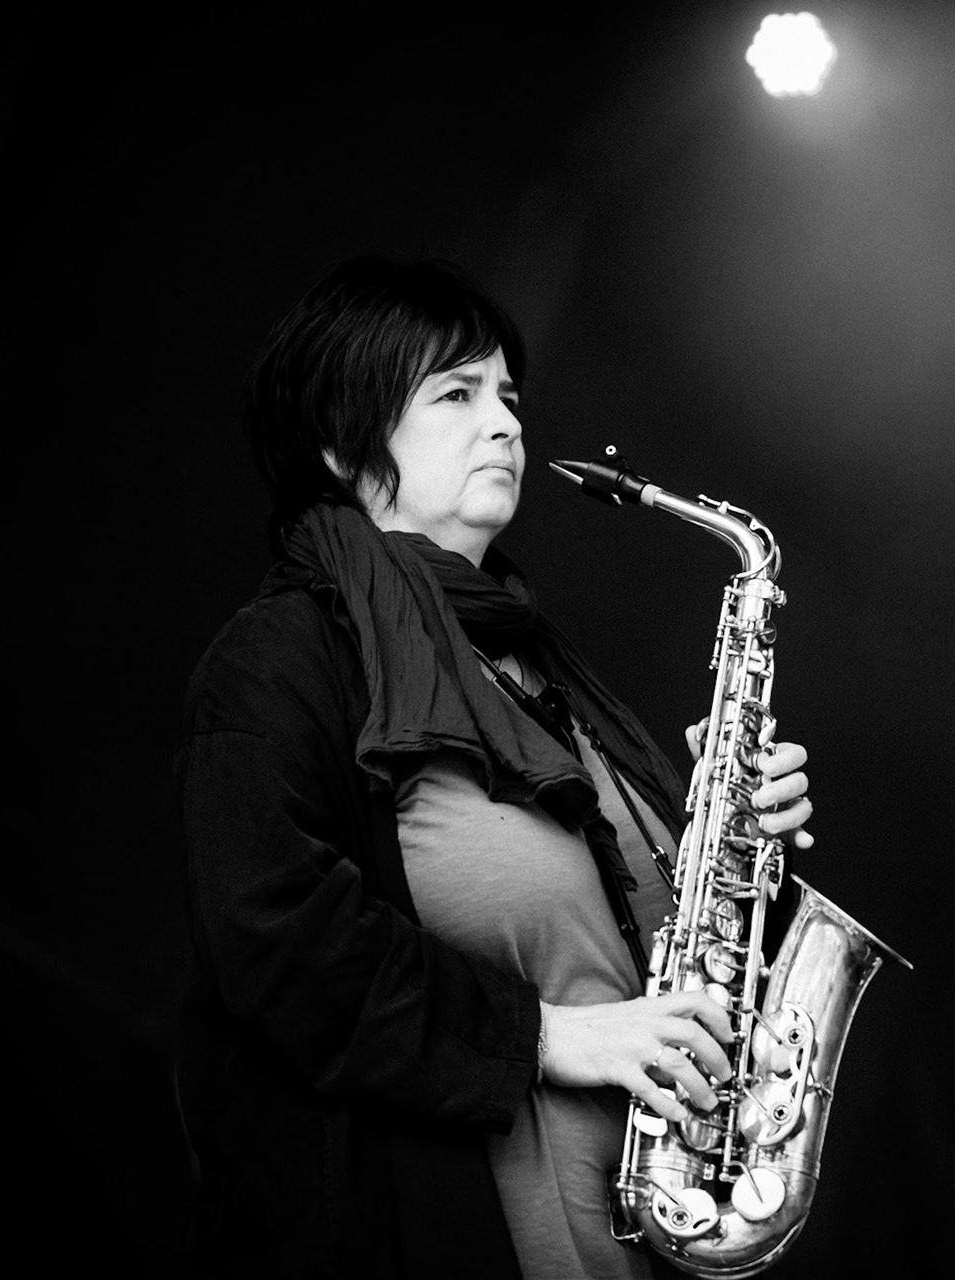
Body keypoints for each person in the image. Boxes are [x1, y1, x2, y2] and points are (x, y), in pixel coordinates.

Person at [175, 258, 813, 1279]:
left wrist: (734, 841)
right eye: (457, 394)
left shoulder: (543, 663)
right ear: (345, 443)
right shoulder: (283, 658)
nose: (508, 423)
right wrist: (550, 1036)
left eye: (509, 396)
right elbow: (277, 940)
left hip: (643, 1228)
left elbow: (674, 952)